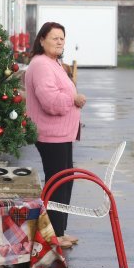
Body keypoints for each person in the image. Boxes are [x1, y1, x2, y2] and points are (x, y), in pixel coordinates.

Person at [24, 21, 86, 249]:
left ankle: (59, 231)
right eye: (55, 38)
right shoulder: (41, 64)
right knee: (57, 185)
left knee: (64, 184)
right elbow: (50, 102)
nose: (60, 42)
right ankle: (52, 234)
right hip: (51, 136)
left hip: (62, 134)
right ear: (42, 40)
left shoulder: (53, 63)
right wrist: (73, 99)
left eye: (62, 38)